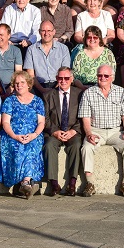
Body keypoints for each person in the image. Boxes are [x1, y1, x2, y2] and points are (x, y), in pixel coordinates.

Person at [78, 64, 124, 197]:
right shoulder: (89, 92)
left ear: (112, 77)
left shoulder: (121, 92)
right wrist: (89, 134)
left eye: (106, 75)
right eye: (100, 75)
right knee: (86, 148)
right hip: (96, 130)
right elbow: (85, 118)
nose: (102, 78)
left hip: (116, 131)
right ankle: (90, 183)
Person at [0, 71, 45, 198]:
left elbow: (41, 122)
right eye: (16, 83)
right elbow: (5, 122)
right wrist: (15, 136)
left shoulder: (37, 101)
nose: (19, 85)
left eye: (22, 82)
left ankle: (25, 182)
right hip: (12, 135)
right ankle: (26, 184)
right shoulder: (9, 101)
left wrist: (34, 135)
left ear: (28, 84)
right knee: (18, 147)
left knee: (31, 147)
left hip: (33, 134)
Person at [42, 67, 83, 196]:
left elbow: (84, 116)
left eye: (66, 78)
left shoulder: (80, 94)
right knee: (49, 146)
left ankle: (72, 182)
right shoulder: (48, 95)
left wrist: (73, 131)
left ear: (72, 79)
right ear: (56, 79)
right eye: (60, 78)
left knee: (76, 145)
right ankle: (54, 183)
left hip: (73, 131)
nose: (63, 81)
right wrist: (55, 131)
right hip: (54, 131)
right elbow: (45, 118)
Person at [24, 20, 71, 96]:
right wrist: (42, 90)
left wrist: (55, 90)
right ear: (39, 32)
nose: (46, 33)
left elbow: (65, 72)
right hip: (38, 86)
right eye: (43, 31)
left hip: (59, 84)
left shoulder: (63, 49)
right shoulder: (31, 49)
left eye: (49, 30)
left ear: (54, 32)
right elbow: (31, 75)